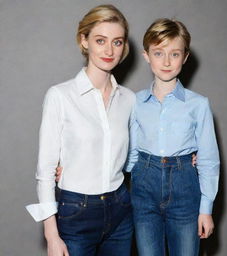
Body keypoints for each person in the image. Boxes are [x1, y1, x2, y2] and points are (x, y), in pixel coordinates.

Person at [26, 5, 135, 256]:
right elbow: (45, 171)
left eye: (117, 42)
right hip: (76, 212)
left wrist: (183, 157)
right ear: (84, 41)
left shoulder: (129, 99)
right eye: (100, 40)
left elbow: (133, 156)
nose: (109, 50)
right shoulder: (60, 96)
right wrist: (51, 236)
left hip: (120, 209)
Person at [125, 19, 220, 256]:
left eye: (174, 54)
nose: (166, 62)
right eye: (159, 53)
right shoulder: (133, 102)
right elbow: (129, 154)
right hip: (143, 188)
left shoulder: (198, 104)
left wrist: (205, 209)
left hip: (185, 188)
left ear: (185, 57)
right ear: (146, 55)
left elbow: (209, 159)